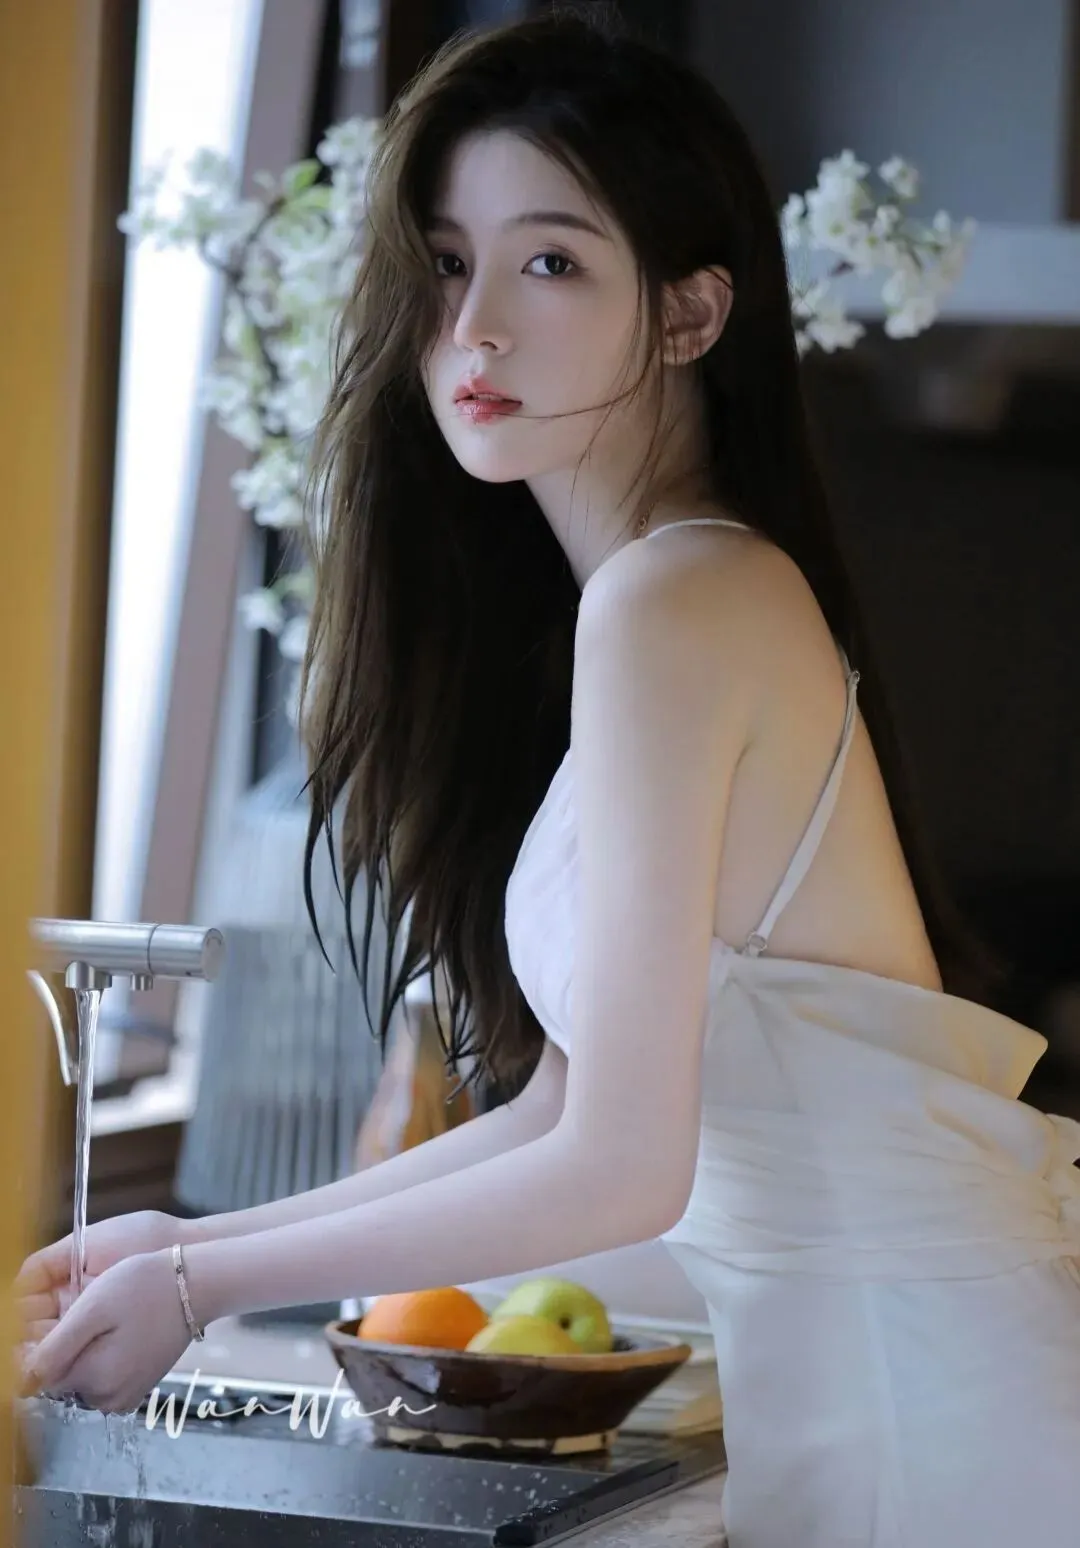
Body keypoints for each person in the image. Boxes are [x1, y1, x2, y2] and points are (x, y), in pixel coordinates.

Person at [16, 8, 1080, 1543]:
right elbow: (561, 1110)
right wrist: (188, 1244)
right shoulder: (670, 593)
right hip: (884, 1385)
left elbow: (621, 1168)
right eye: (449, 262)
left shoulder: (675, 601)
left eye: (553, 262)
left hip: (929, 1413)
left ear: (692, 313)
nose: (477, 328)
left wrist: (199, 1281)